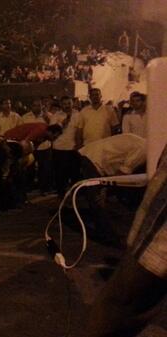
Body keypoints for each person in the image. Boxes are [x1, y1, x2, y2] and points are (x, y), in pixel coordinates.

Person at [84, 145, 167, 337]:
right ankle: (107, 234)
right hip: (94, 162)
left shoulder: (141, 148)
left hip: (99, 160)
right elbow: (123, 171)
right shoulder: (141, 151)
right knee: (132, 293)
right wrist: (104, 190)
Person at [53, 96, 84, 197]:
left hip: (72, 148)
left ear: (72, 104)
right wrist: (62, 123)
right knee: (60, 173)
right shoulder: (56, 115)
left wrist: (78, 145)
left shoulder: (78, 115)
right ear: (61, 105)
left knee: (74, 173)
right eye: (64, 104)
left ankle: (74, 193)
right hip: (59, 148)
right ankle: (61, 193)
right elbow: (52, 132)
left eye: (69, 103)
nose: (67, 106)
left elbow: (79, 131)